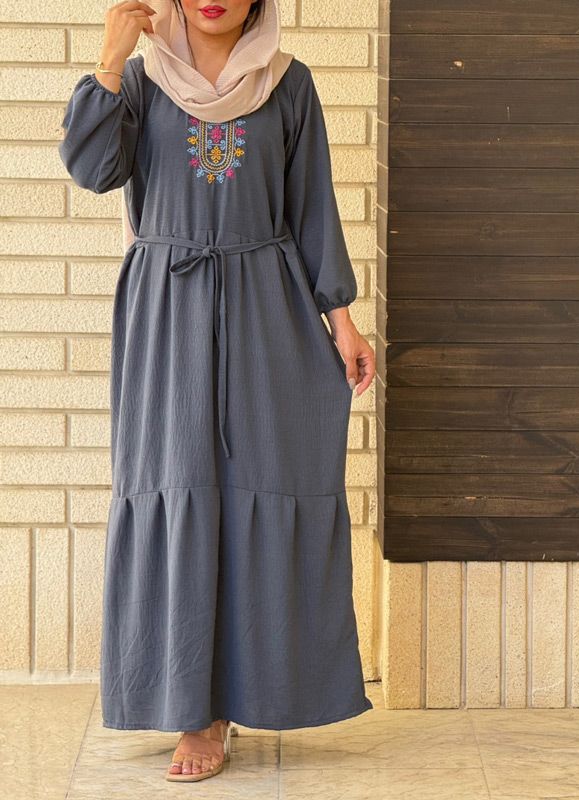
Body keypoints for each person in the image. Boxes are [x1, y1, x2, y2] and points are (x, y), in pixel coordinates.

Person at [58, 0, 376, 784]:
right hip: (166, 303)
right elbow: (92, 170)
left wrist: (341, 319)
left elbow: (311, 205)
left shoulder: (288, 83)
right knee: (174, 482)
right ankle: (190, 709)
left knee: (265, 480)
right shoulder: (141, 81)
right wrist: (109, 57)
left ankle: (244, 696)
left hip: (268, 301)